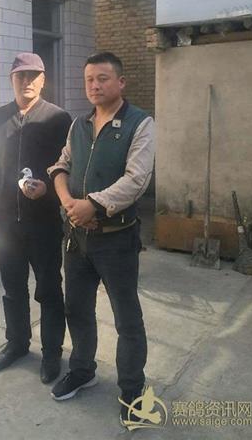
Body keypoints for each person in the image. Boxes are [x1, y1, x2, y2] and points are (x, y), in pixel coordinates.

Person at [48, 51, 155, 427]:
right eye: (89, 79)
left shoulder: (140, 123)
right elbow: (60, 165)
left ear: (120, 82)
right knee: (76, 309)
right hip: (76, 239)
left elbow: (136, 180)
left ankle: (132, 391)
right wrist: (69, 203)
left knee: (127, 319)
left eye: (103, 78)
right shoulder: (79, 125)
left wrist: (92, 204)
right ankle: (82, 370)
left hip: (116, 241)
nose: (94, 85)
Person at [0, 52, 71, 384]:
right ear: (11, 80)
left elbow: (68, 169)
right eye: (20, 76)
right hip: (6, 222)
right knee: (13, 288)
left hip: (44, 222)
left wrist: (49, 191)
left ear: (43, 80)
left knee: (49, 289)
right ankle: (17, 343)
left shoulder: (58, 119)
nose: (26, 81)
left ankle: (52, 352)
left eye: (33, 76)